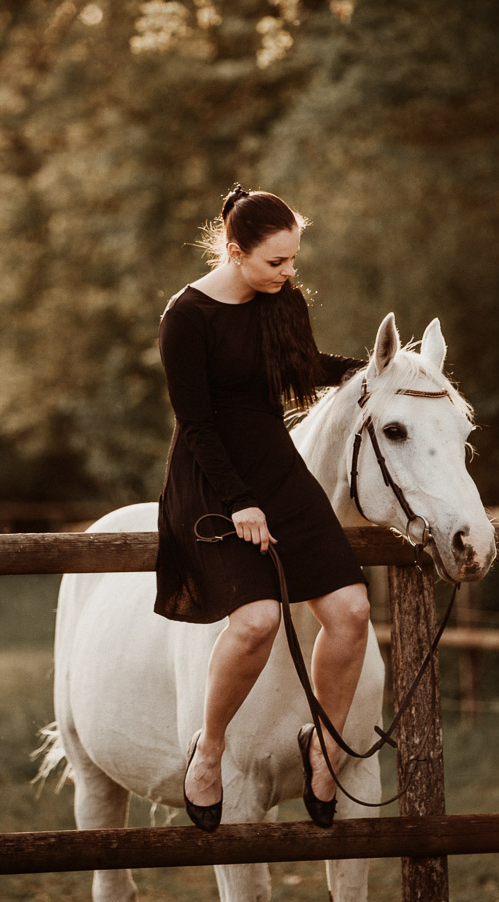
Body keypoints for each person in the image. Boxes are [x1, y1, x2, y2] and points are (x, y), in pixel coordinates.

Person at [155, 185, 371, 831]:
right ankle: (209, 746)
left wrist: (383, 373)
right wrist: (241, 502)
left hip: (278, 472)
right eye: (276, 262)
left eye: (292, 260)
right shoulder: (185, 316)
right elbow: (195, 423)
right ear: (234, 251)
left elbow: (303, 370)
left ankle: (324, 746)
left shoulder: (283, 302)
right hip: (209, 480)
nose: (288, 273)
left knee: (351, 612)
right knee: (255, 621)